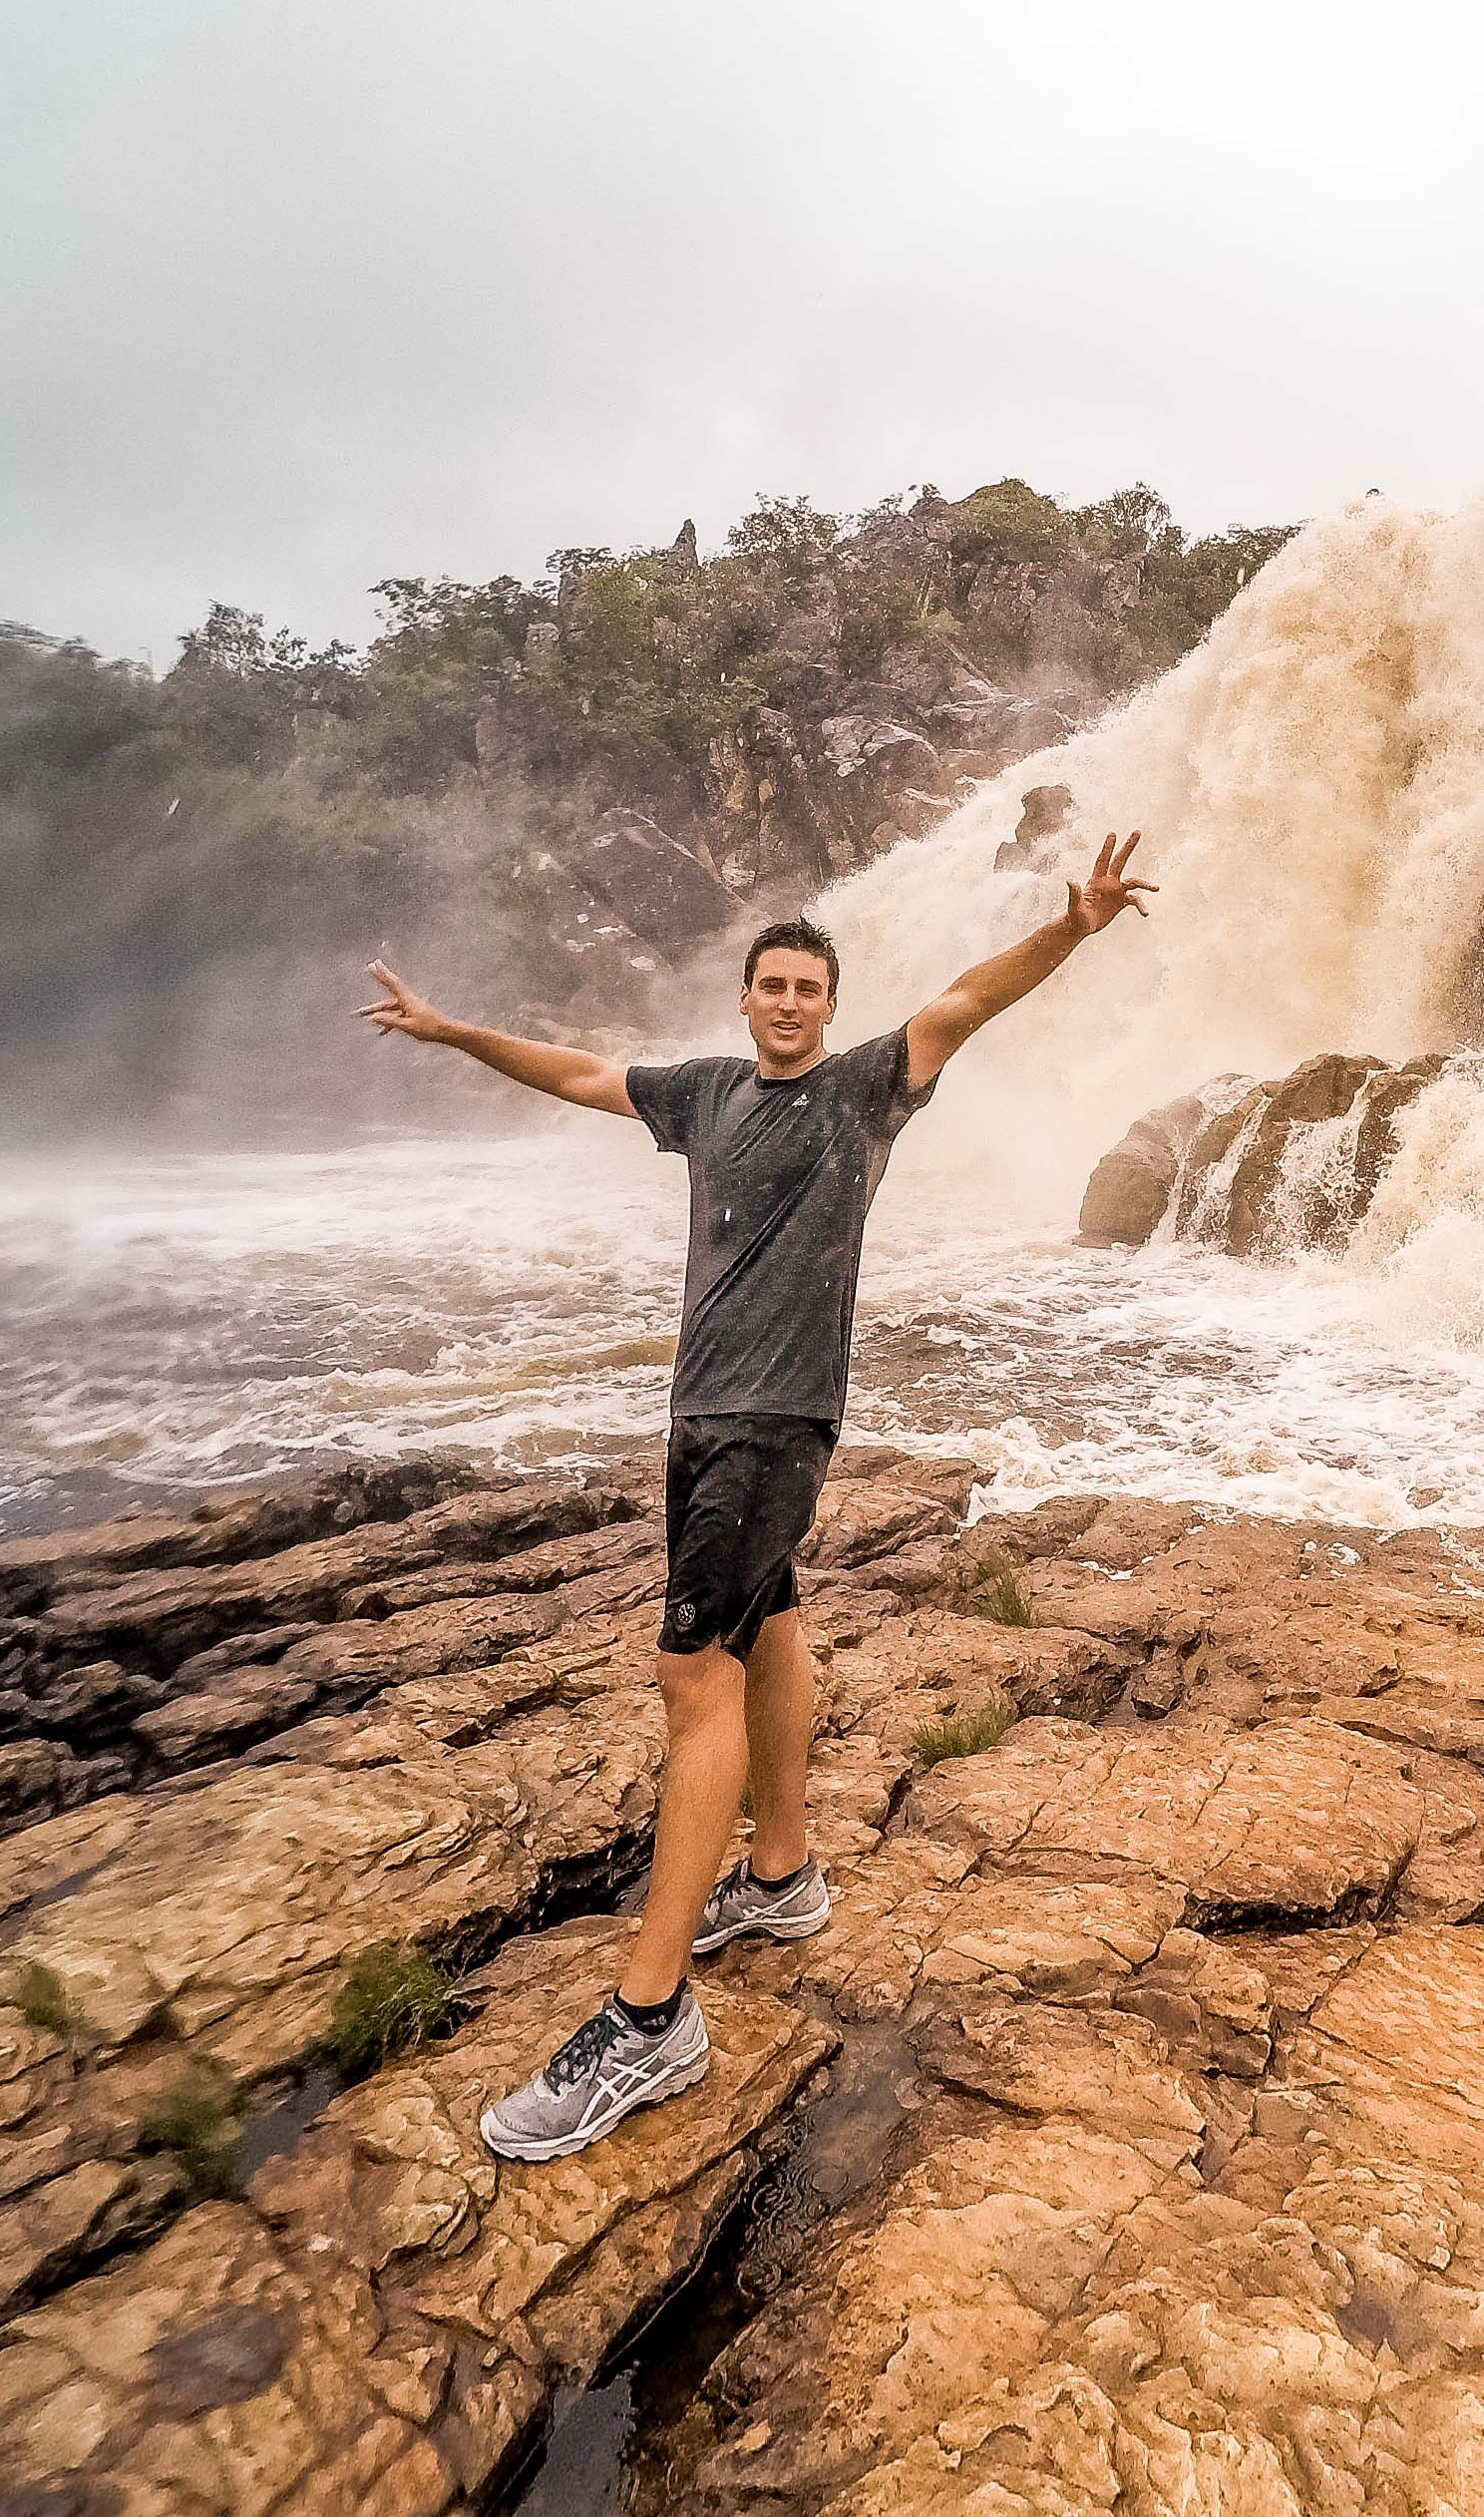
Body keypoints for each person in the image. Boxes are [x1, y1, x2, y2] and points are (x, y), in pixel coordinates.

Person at [354, 831, 1158, 2161]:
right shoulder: (706, 1093)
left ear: (830, 1005)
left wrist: (1071, 927)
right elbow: (571, 1072)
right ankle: (778, 1877)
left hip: (770, 1419)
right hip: (703, 1409)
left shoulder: (862, 1090)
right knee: (768, 1622)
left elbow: (966, 997)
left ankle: (650, 2017)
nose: (788, 1003)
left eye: (808, 988)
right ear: (745, 998)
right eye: (769, 986)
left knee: (690, 1677)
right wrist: (452, 1034)